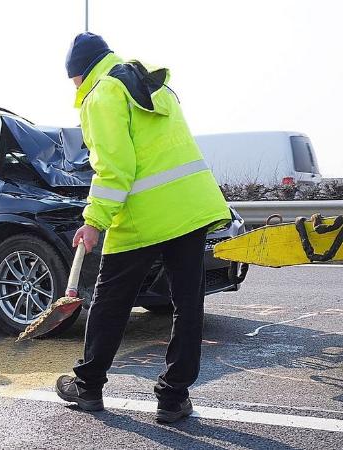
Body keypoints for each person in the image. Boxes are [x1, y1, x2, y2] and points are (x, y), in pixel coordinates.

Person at [54, 33, 231, 423]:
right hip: (190, 208)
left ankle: (88, 386)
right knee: (187, 304)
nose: (74, 88)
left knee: (111, 301)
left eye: (72, 81)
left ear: (79, 73)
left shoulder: (102, 93)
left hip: (142, 215)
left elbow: (115, 168)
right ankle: (173, 397)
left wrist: (94, 221)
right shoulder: (151, 81)